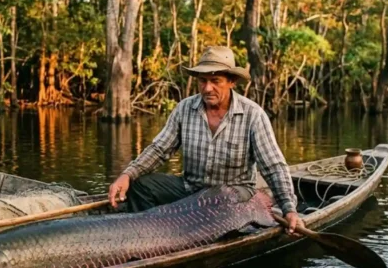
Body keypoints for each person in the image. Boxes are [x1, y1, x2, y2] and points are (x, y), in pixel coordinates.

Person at [107, 46, 304, 236]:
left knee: (221, 196)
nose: (207, 88)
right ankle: (146, 236)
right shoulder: (185, 109)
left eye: (215, 81)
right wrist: (128, 174)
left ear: (232, 81)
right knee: (141, 186)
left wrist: (289, 208)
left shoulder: (253, 115)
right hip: (191, 190)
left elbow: (273, 167)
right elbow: (159, 149)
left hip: (233, 197)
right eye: (203, 81)